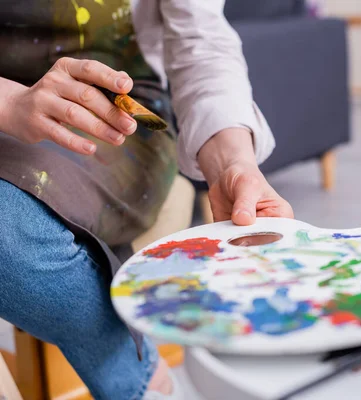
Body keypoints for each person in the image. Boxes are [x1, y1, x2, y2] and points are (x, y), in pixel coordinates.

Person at [0, 1, 293, 399]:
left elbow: (199, 42)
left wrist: (232, 163)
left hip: (120, 117)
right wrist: (10, 102)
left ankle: (137, 379)